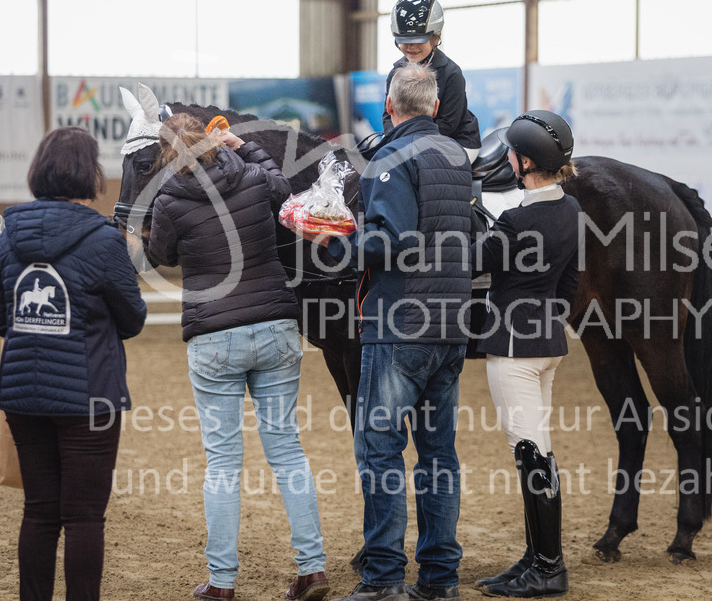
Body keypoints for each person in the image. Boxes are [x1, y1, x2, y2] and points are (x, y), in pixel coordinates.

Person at [145, 114, 329, 601]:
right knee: (287, 450)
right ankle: (312, 570)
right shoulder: (251, 175)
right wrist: (242, 145)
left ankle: (222, 583)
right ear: (212, 140)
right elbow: (284, 185)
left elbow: (160, 255)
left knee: (223, 463)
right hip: (275, 325)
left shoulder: (167, 198)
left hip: (213, 336)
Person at [310, 64, 473, 601]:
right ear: (432, 105)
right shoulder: (454, 157)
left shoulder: (388, 158)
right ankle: (439, 579)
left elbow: (393, 240)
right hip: (451, 325)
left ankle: (382, 579)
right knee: (438, 455)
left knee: (379, 452)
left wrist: (337, 246)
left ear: (391, 105)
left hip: (400, 324)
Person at [0, 126, 147, 601]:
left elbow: (0, 320)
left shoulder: (7, 236)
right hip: (89, 396)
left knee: (39, 513)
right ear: (90, 175)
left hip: (23, 395)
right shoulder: (103, 241)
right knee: (83, 517)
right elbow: (133, 319)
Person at [469, 111, 580, 598]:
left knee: (529, 450)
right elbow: (571, 284)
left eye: (512, 154)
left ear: (525, 162)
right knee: (538, 447)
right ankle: (537, 556)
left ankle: (549, 567)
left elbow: (474, 260)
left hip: (514, 349)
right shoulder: (571, 210)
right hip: (548, 344)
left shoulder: (517, 219)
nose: (507, 159)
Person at [382, 0, 481, 159]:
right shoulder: (394, 73)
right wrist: (396, 139)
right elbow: (388, 116)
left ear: (436, 38)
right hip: (408, 139)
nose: (410, 47)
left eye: (418, 40)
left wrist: (410, 142)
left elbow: (448, 124)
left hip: (456, 140)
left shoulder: (452, 73)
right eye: (404, 40)